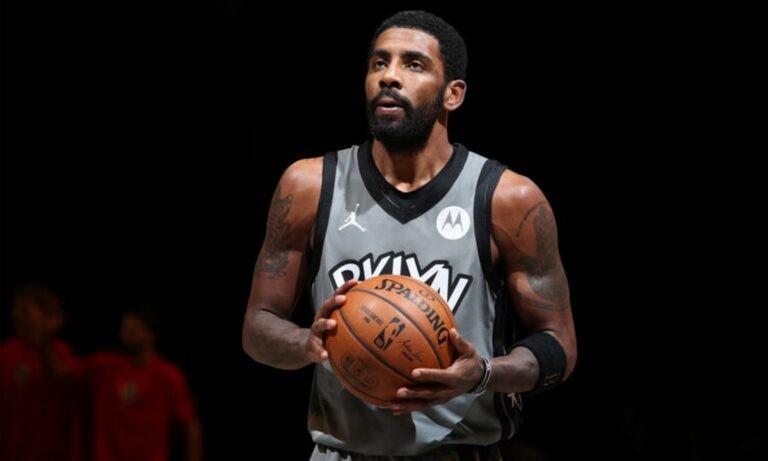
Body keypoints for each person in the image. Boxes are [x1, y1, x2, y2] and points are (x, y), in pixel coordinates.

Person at [242, 10, 577, 460]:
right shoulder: (308, 185)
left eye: (413, 64)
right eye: (379, 63)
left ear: (453, 94)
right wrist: (306, 343)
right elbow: (257, 328)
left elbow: (558, 346)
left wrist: (481, 374)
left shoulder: (507, 199)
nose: (389, 76)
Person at [79, 306, 203, 461]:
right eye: (125, 328)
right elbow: (62, 373)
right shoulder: (104, 367)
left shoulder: (168, 376)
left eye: (134, 329)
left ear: (151, 334)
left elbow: (189, 424)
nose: (127, 333)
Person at [0, 282, 81, 461]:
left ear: (45, 316)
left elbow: (61, 376)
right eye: (15, 308)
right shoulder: (5, 352)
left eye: (25, 309)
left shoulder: (59, 351)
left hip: (48, 452)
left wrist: (44, 341)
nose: (16, 314)